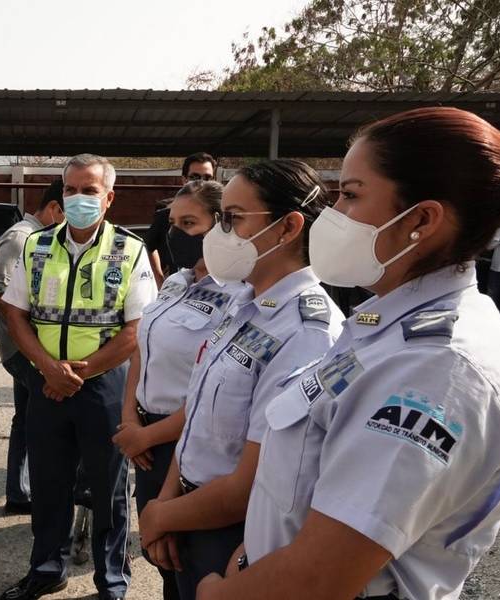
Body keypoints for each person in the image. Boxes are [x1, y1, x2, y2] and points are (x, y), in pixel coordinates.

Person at [196, 108, 500, 600]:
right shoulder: (386, 321)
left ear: (421, 220)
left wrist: (214, 594)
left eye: (351, 194)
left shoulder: (435, 369)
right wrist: (249, 553)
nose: (333, 212)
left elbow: (320, 577)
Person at [138, 159, 344, 600]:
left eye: (231, 220)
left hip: (233, 531)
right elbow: (196, 420)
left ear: (288, 228)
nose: (217, 235)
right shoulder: (242, 300)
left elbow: (254, 478)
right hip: (187, 511)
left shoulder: (308, 333)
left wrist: (163, 516)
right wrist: (167, 503)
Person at [0, 154, 157, 600]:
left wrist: (80, 374)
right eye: (70, 190)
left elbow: (137, 327)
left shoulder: (130, 249)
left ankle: (112, 581)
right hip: (46, 383)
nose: (78, 198)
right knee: (49, 485)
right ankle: (47, 569)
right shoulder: (37, 245)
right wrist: (49, 370)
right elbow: (15, 312)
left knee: (109, 489)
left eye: (89, 191)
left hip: (103, 386)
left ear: (108, 198)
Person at [112, 179, 243, 600]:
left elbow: (212, 387)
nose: (176, 234)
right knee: (161, 555)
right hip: (145, 442)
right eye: (172, 223)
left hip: (182, 443)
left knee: (191, 559)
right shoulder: (174, 280)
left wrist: (146, 435)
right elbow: (141, 352)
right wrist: (130, 419)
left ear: (222, 227)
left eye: (190, 223)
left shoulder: (240, 296)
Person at [0, 178, 65, 514]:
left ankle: (19, 494)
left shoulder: (44, 237)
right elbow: (1, 295)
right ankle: (38, 493)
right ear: (54, 208)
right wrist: (34, 347)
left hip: (32, 348)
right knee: (42, 420)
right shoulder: (22, 237)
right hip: (25, 351)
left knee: (25, 419)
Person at [146, 153, 218, 286]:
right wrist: (159, 280)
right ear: (184, 180)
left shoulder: (225, 216)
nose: (201, 182)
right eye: (195, 177)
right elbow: (148, 247)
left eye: (207, 178)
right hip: (178, 291)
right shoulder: (165, 215)